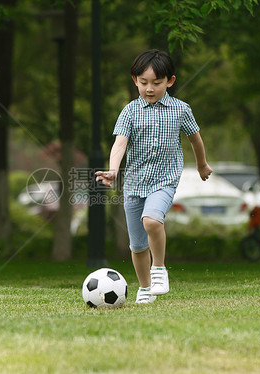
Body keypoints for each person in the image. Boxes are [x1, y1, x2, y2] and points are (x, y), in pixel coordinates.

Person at [95, 49, 212, 304]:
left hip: (164, 180)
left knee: (152, 221)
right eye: (144, 82)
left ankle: (159, 269)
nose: (150, 88)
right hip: (134, 184)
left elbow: (195, 139)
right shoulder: (129, 112)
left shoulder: (181, 109)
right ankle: (146, 288)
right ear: (135, 80)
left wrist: (202, 165)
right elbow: (120, 144)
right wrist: (113, 169)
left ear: (170, 81)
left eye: (156, 83)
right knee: (137, 246)